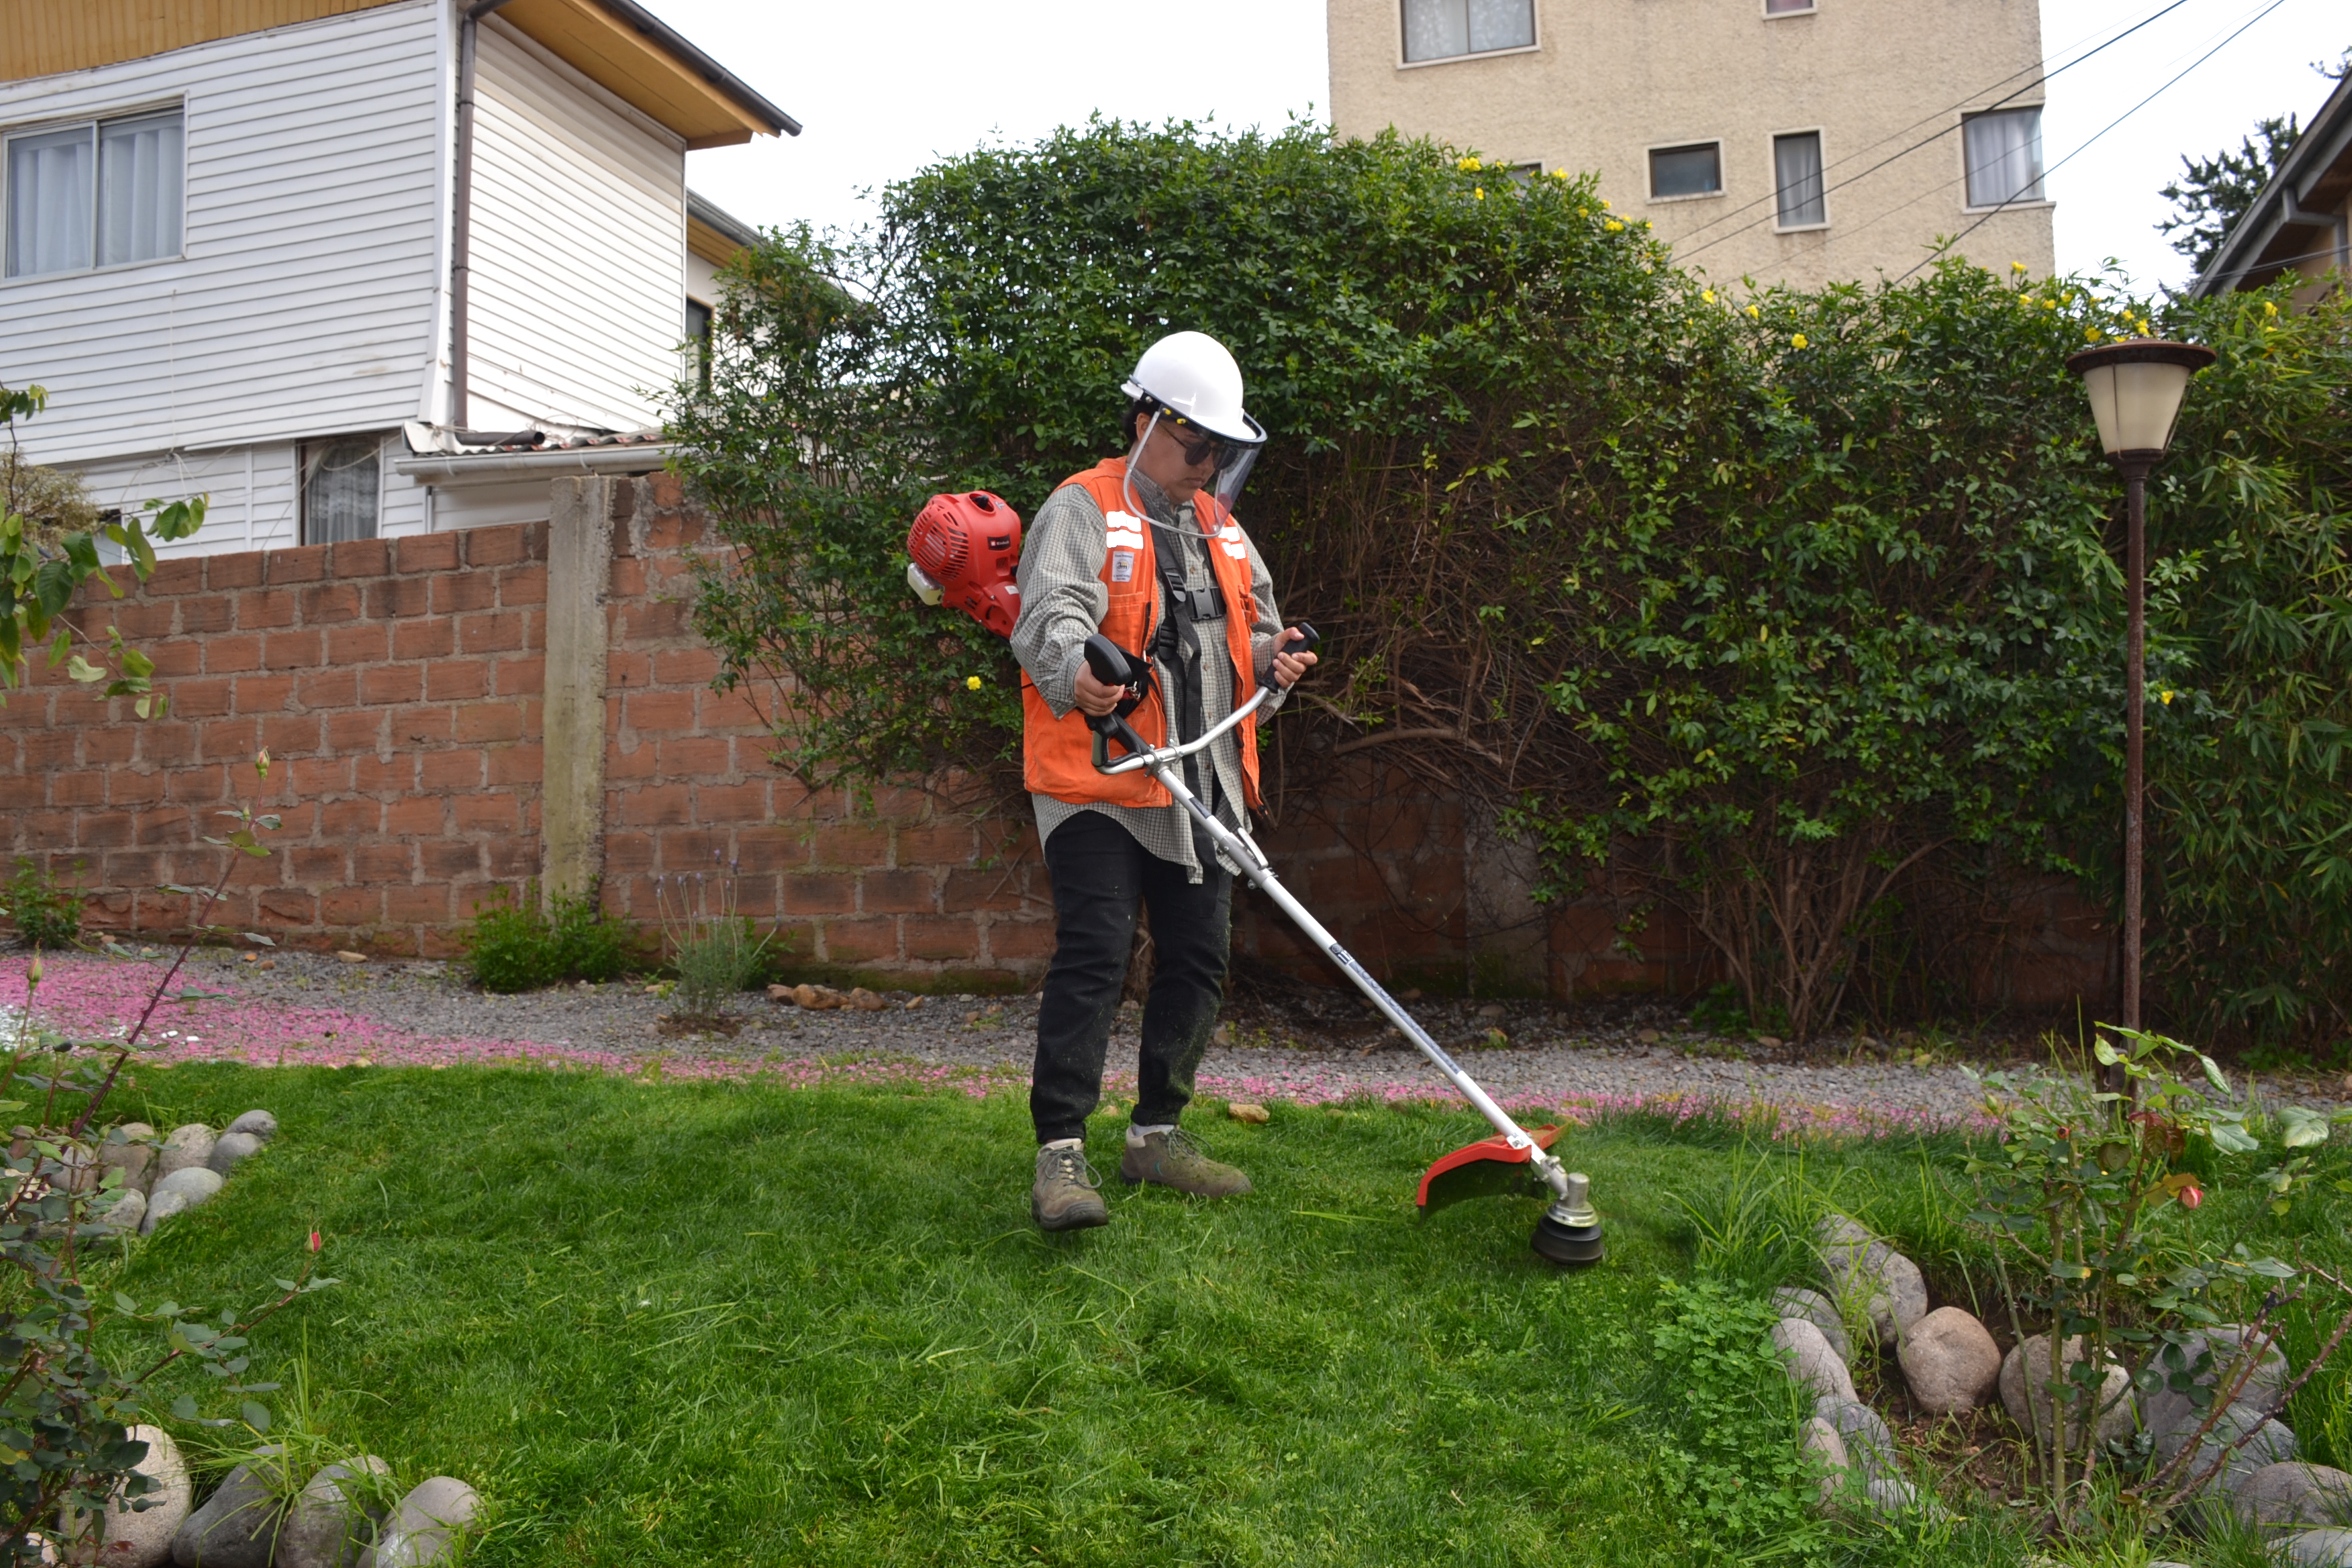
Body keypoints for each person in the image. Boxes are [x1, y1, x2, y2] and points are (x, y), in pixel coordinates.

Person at [1009, 330, 1318, 1232]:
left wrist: (1277, 663)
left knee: (1198, 958)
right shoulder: (1081, 507)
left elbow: (1249, 638)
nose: (1210, 464)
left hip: (1199, 781)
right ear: (1147, 420)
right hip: (1100, 781)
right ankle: (1060, 1154)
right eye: (1197, 444)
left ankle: (1156, 1137)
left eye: (1223, 449)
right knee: (1097, 954)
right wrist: (1081, 673)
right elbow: (1051, 616)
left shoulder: (1222, 528)